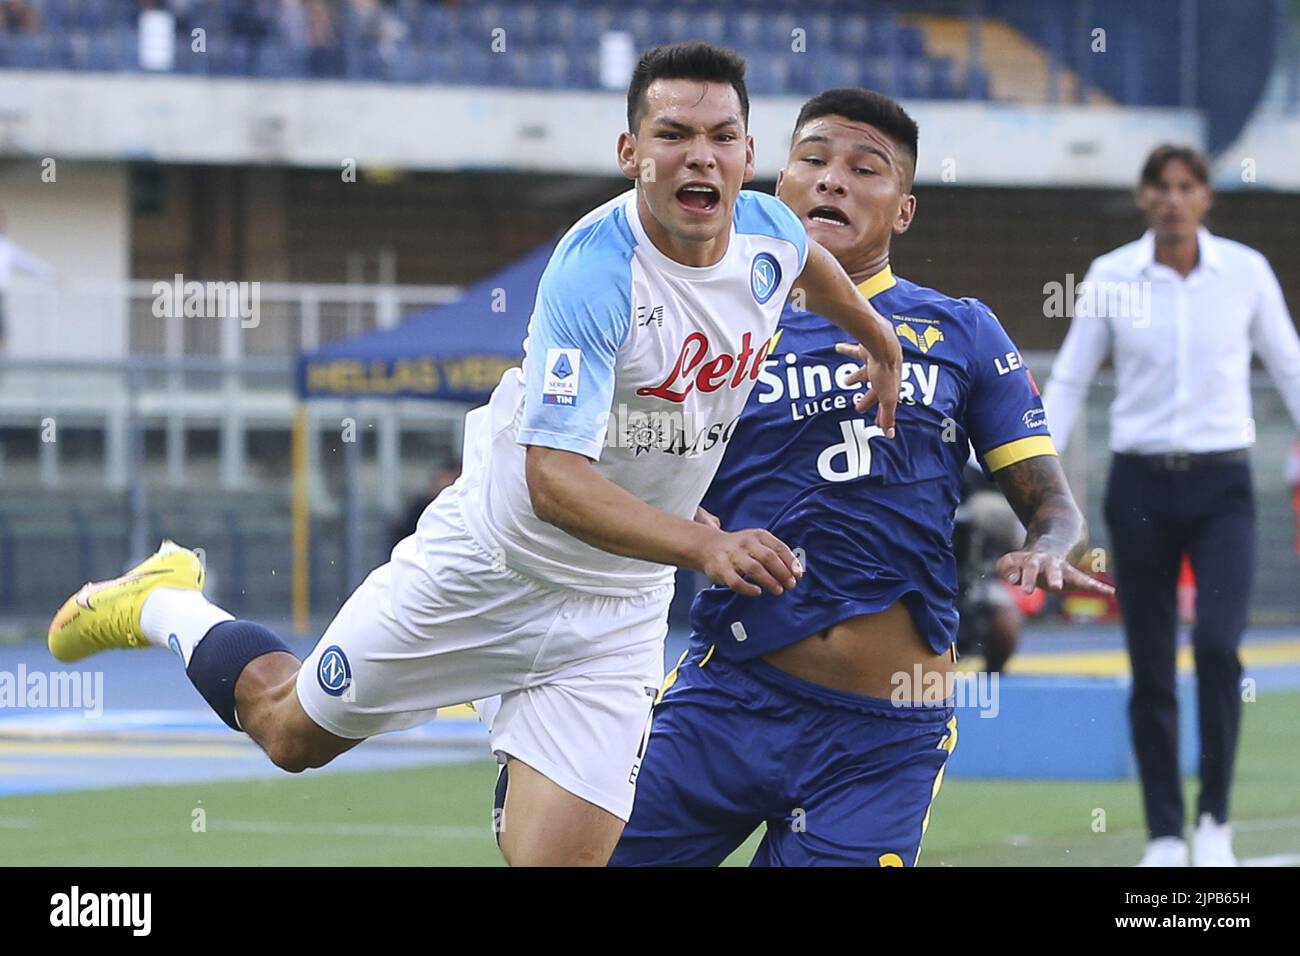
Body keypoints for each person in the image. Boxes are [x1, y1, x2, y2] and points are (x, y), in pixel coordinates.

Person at [46, 43, 905, 867]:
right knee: (287, 732)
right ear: (629, 152)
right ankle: (165, 602)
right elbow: (554, 482)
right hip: (487, 568)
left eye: (721, 137)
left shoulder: (769, 234)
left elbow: (811, 268)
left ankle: (524, 738)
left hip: (615, 612)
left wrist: (879, 341)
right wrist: (703, 544)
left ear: (748, 152)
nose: (700, 158)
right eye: (673, 135)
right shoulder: (596, 273)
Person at [610, 87, 1110, 868]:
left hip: (883, 735)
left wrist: (1051, 545)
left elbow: (1051, 500)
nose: (832, 179)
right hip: (727, 696)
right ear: (781, 184)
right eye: (812, 160)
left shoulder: (962, 331)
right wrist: (685, 528)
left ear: (902, 211)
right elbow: (625, 476)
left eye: (864, 169)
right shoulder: (708, 320)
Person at [1042, 144, 1300, 867]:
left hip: (1223, 487)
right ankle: (1163, 832)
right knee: (1150, 663)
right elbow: (1067, 380)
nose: (1174, 199)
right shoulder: (1111, 277)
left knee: (1217, 647)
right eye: (1160, 186)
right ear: (1144, 196)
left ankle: (1214, 820)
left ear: (1207, 196)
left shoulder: (1245, 273)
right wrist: (1030, 470)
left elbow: (1289, 365)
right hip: (1141, 488)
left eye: (1188, 186)